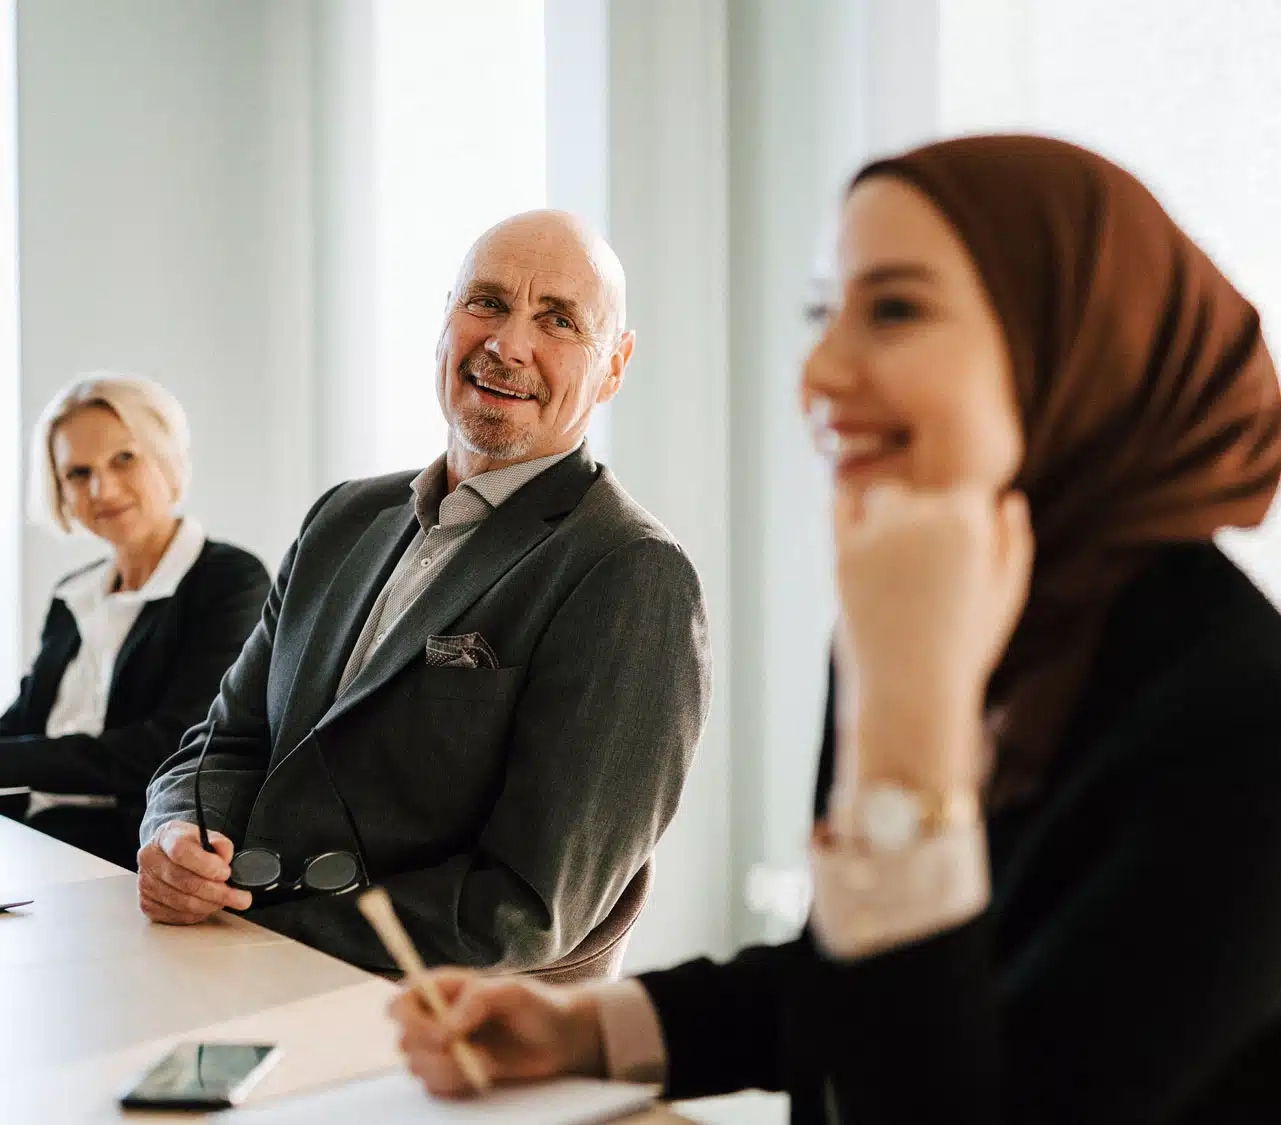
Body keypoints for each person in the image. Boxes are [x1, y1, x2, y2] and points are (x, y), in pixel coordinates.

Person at [390, 136, 1281, 1123]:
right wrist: (586, 1030)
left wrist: (904, 731)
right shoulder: (945, 611)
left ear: (1076, 344)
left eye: (893, 311)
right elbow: (868, 980)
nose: (818, 371)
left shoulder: (1244, 717)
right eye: (824, 314)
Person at [138, 210, 711, 981]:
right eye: (486, 302)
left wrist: (265, 934)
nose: (508, 344)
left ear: (614, 366)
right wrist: (176, 831)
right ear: (445, 318)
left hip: (424, 1019)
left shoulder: (629, 569)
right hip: (236, 972)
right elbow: (227, 741)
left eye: (558, 320)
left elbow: (525, 908)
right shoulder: (343, 517)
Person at [0, 373, 269, 870]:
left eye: (124, 458)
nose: (101, 489)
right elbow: (24, 723)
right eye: (78, 473)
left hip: (128, 850)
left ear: (166, 456)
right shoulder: (75, 593)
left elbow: (175, 745)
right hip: (34, 835)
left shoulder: (229, 580)